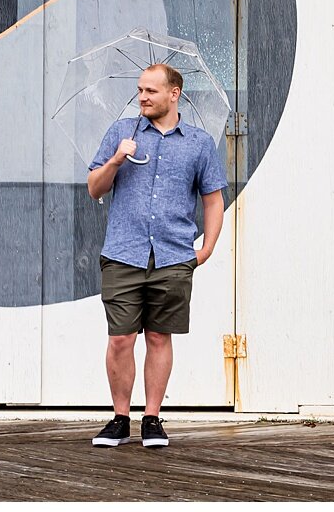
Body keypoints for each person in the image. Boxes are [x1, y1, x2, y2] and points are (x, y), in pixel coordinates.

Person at [86, 63, 227, 448]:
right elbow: (94, 189)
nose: (142, 97)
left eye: (150, 91)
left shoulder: (198, 143)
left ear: (173, 94)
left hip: (173, 255)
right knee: (120, 339)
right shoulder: (121, 133)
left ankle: (151, 419)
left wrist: (208, 247)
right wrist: (115, 160)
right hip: (123, 252)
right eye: (140, 90)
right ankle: (119, 419)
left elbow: (213, 200)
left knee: (160, 337)